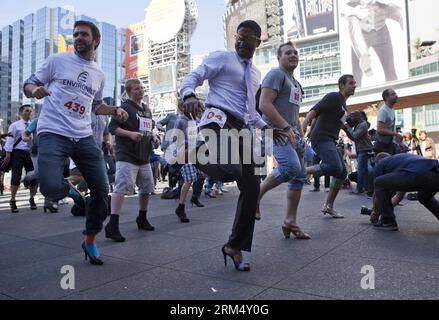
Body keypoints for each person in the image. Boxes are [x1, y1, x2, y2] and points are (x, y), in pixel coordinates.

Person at [23, 20, 128, 265]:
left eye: (84, 34)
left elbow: (96, 105)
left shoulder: (99, 74)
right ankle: (70, 191)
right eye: (76, 34)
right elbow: (29, 83)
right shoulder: (57, 60)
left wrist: (115, 110)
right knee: (49, 188)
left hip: (83, 137)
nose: (78, 38)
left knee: (103, 191)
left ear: (96, 41)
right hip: (52, 132)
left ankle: (90, 240)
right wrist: (34, 90)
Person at [180, 20, 278, 272]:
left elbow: (253, 113)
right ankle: (193, 154)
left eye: (248, 39)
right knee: (231, 171)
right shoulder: (222, 58)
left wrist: (272, 129)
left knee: (252, 187)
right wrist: (188, 94)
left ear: (258, 41)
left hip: (242, 126)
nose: (241, 42)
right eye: (239, 37)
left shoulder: (255, 74)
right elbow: (196, 75)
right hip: (217, 121)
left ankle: (234, 246)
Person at [255, 41, 310, 240]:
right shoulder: (275, 74)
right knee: (291, 168)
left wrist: (301, 136)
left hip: (292, 133)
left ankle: (290, 221)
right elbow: (264, 104)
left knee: (299, 176)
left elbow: (295, 115)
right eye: (288, 53)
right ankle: (256, 195)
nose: (293, 55)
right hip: (276, 132)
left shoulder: (295, 83)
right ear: (279, 58)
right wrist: (286, 129)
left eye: (295, 52)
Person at [105, 78, 158, 242]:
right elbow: (112, 128)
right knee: (122, 187)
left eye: (141, 88)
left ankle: (142, 217)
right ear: (128, 92)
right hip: (127, 155)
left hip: (144, 156)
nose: (140, 90)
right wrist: (130, 134)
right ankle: (112, 225)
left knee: (147, 187)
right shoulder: (124, 108)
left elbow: (147, 129)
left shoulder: (147, 109)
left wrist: (153, 139)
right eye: (136, 88)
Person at [302, 75, 357, 219]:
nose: (354, 85)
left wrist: (352, 133)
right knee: (333, 166)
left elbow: (340, 124)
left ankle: (328, 206)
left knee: (341, 172)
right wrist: (304, 127)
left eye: (354, 83)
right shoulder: (334, 97)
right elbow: (314, 111)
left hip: (330, 139)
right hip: (322, 138)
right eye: (351, 83)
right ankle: (299, 171)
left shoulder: (343, 105)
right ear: (341, 85)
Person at [342, 0, 404, 87]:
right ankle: (364, 60)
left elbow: (401, 14)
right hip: (361, 35)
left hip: (381, 33)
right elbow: (341, 10)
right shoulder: (354, 4)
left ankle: (393, 93)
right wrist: (353, 11)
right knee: (356, 75)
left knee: (390, 71)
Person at [373, 152, 439, 231]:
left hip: (418, 173)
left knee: (379, 182)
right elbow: (399, 196)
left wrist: (375, 213)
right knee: (424, 197)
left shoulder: (381, 163)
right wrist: (384, 210)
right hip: (435, 172)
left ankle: (387, 222)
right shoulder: (402, 162)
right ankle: (387, 219)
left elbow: (376, 194)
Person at [1, 105, 38, 213]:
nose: (29, 112)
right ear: (21, 113)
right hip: (17, 152)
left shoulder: (34, 124)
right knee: (16, 176)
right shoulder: (15, 125)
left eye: (31, 111)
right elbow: (9, 141)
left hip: (30, 153)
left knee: (33, 176)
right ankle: (12, 200)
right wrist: (8, 154)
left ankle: (32, 198)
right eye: (27, 110)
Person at [343, 110, 373, 194]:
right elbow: (353, 138)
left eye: (352, 116)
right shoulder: (358, 125)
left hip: (365, 149)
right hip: (361, 149)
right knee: (364, 170)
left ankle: (360, 189)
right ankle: (366, 188)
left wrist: (348, 127)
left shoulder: (363, 124)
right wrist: (346, 130)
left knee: (361, 169)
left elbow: (355, 136)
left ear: (358, 116)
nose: (350, 118)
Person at [374, 89, 402, 155]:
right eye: (393, 94)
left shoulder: (392, 109)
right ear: (386, 97)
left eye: (395, 94)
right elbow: (380, 129)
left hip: (389, 144)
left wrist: (399, 142)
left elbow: (391, 128)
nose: (396, 96)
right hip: (382, 145)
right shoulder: (383, 111)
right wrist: (396, 134)